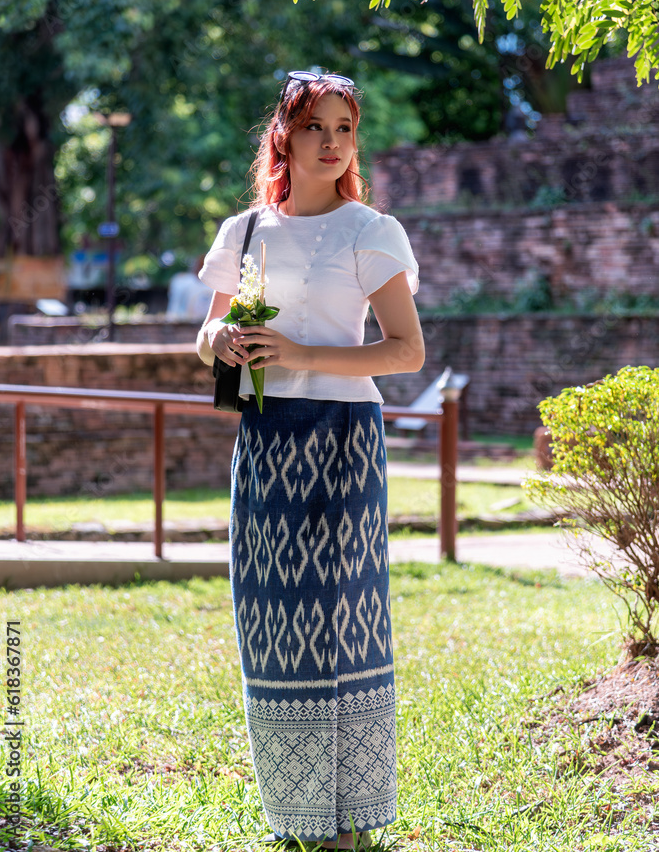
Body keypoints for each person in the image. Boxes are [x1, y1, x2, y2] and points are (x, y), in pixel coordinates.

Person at [196, 70, 424, 850]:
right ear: (284, 137)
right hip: (263, 436)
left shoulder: (373, 231)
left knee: (344, 614)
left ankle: (351, 818)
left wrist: (299, 351)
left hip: (343, 437)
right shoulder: (246, 232)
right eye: (315, 127)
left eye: (345, 128)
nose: (331, 142)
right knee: (269, 617)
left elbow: (405, 351)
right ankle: (294, 808)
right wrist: (219, 339)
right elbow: (204, 334)